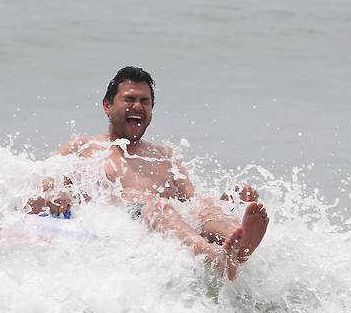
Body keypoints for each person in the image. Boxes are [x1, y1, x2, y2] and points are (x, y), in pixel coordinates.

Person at [26, 66, 269, 281]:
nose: (138, 107)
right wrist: (54, 191)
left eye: (145, 101)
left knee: (203, 203)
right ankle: (215, 256)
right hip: (121, 221)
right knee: (158, 207)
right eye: (129, 99)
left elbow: (192, 202)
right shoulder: (82, 146)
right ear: (107, 105)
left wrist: (227, 200)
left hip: (170, 218)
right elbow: (45, 180)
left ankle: (239, 241)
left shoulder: (166, 155)